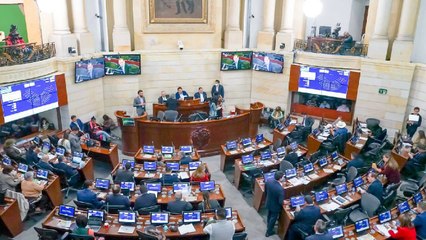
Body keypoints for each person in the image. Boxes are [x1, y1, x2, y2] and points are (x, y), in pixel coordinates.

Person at [265, 171, 285, 237]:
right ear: (280, 178)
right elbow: (280, 202)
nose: (284, 178)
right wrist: (285, 202)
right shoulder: (280, 189)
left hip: (268, 202)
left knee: (269, 214)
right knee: (273, 218)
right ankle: (269, 232)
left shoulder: (269, 181)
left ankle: (268, 225)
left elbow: (266, 191)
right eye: (283, 177)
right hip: (275, 206)